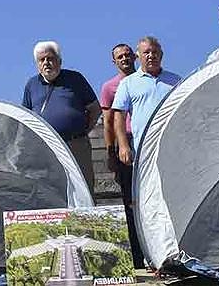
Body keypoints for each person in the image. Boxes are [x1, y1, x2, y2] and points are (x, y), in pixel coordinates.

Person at [22, 41, 101, 192]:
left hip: (76, 144)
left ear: (59, 61)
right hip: (46, 147)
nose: (46, 63)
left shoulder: (75, 79)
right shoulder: (31, 85)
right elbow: (26, 117)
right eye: (42, 60)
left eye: (50, 58)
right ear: (37, 64)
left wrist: (83, 131)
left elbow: (95, 109)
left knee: (83, 187)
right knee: (51, 190)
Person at [99, 43, 143, 268]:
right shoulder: (109, 87)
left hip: (145, 140)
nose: (124, 59)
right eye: (120, 57)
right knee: (130, 202)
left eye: (127, 55)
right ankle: (137, 257)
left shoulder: (144, 79)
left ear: (134, 57)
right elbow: (108, 122)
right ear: (114, 61)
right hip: (124, 145)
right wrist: (110, 152)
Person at [113, 36, 181, 166]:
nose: (151, 56)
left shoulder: (176, 81)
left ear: (161, 55)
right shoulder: (127, 83)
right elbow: (119, 117)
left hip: (172, 145)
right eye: (146, 53)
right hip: (143, 148)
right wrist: (123, 146)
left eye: (154, 52)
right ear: (138, 56)